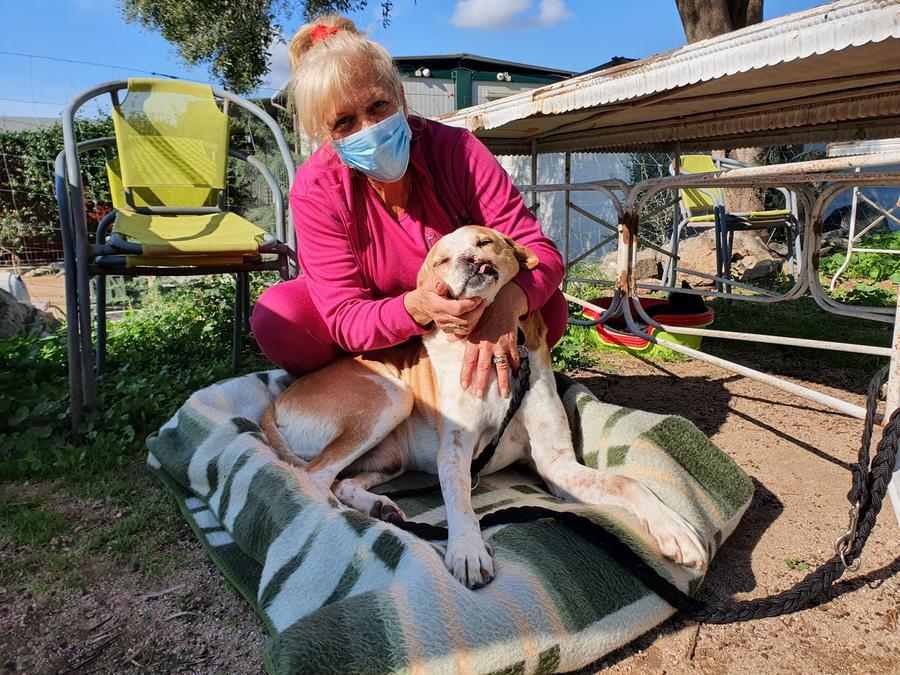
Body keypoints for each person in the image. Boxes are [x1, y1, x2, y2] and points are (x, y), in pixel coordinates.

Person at [250, 15, 568, 400]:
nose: (369, 128)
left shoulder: (457, 151)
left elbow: (538, 252)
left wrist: (506, 306)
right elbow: (344, 316)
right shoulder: (317, 188)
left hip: (464, 319)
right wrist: (417, 308)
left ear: (401, 95)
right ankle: (362, 391)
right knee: (281, 319)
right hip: (377, 332)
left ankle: (467, 379)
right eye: (344, 123)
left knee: (548, 308)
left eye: (379, 106)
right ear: (322, 132)